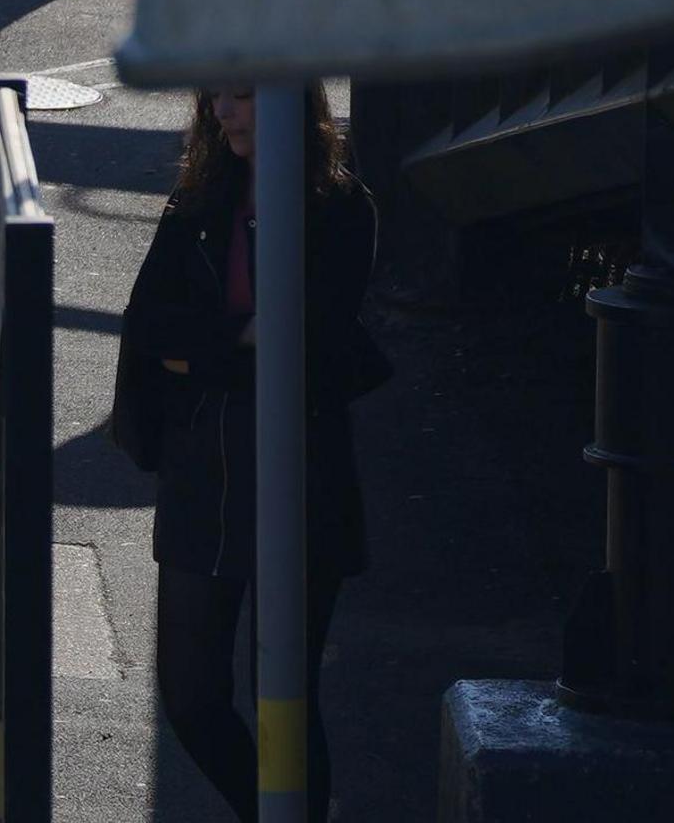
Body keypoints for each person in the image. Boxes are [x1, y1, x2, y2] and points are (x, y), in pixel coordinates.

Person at [116, 84, 385, 823]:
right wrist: (240, 336)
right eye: (215, 102)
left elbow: (313, 340)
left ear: (291, 105)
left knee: (287, 694)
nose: (225, 115)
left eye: (242, 98)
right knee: (191, 692)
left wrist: (204, 349)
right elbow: (151, 326)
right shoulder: (202, 201)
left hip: (302, 466)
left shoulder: (339, 207)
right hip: (208, 458)